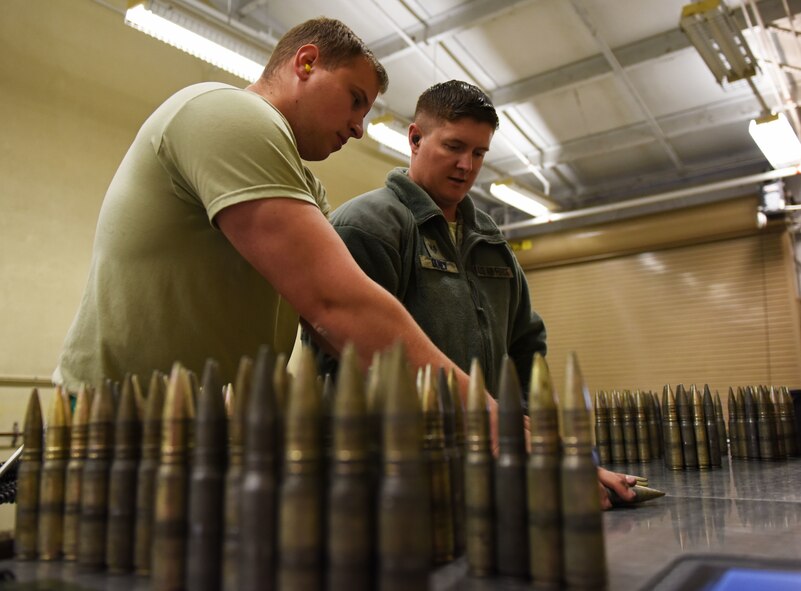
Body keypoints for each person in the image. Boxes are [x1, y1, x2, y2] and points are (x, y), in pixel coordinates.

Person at [55, 18, 477, 423]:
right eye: (354, 100)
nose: (358, 129)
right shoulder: (227, 112)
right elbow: (335, 302)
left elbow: (330, 325)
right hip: (118, 421)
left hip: (208, 424)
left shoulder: (306, 186)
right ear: (306, 62)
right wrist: (478, 408)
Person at [314, 80, 634, 507]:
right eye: (454, 146)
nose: (466, 165)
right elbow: (346, 358)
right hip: (397, 474)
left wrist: (537, 444)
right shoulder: (369, 226)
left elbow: (526, 346)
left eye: (479, 153)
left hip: (493, 463)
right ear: (414, 138)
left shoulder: (490, 239)